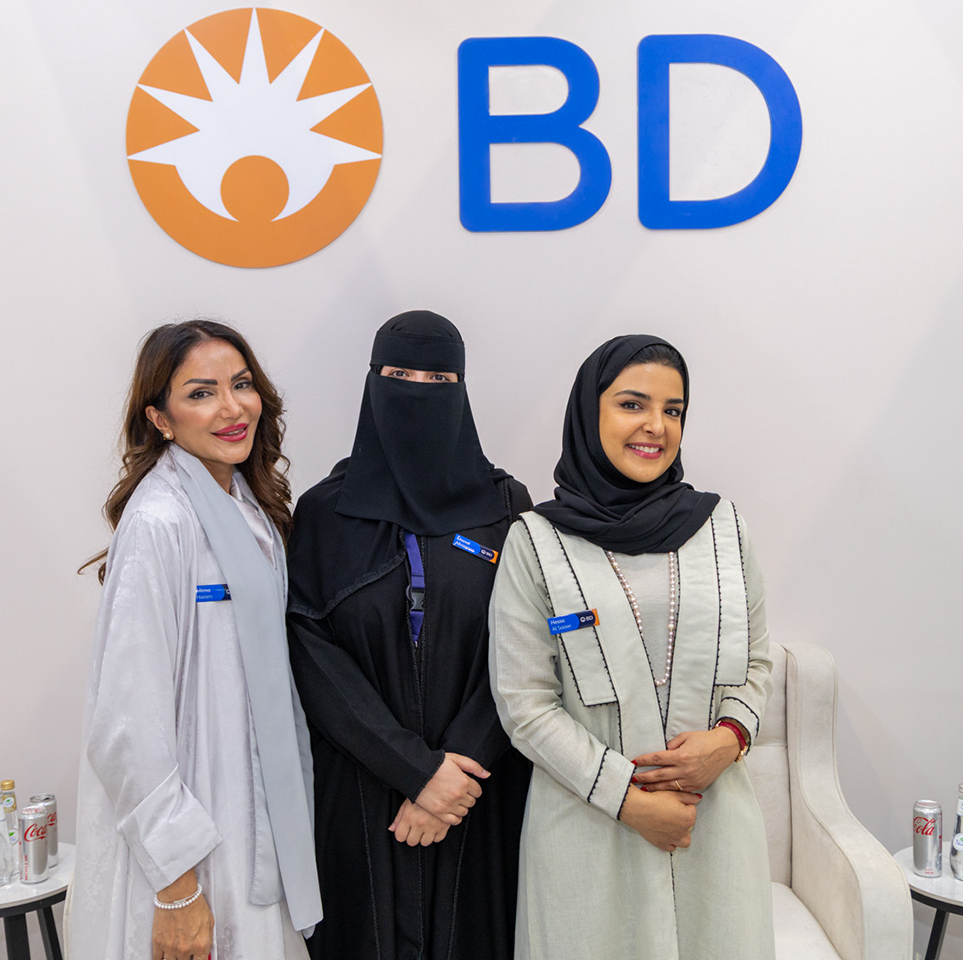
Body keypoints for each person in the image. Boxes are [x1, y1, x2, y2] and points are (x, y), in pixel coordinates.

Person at [488, 335, 775, 960]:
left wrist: (727, 741)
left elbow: (758, 662)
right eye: (632, 404)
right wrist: (629, 799)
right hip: (589, 828)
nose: (655, 426)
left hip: (713, 819)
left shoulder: (723, 526)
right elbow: (523, 704)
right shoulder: (536, 541)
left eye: (673, 410)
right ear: (590, 415)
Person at [69, 320, 320, 960]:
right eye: (202, 393)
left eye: (241, 385)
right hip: (185, 849)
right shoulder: (160, 521)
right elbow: (125, 726)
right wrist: (178, 888)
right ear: (160, 418)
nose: (233, 408)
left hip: (244, 815)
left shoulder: (246, 506)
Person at [286, 311, 533, 960]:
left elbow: (530, 646)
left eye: (437, 375)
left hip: (477, 790)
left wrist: (456, 768)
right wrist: (414, 771)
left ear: (462, 389)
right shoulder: (323, 512)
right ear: (372, 383)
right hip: (363, 794)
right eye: (399, 373)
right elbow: (311, 653)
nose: (418, 388)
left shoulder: (506, 507)